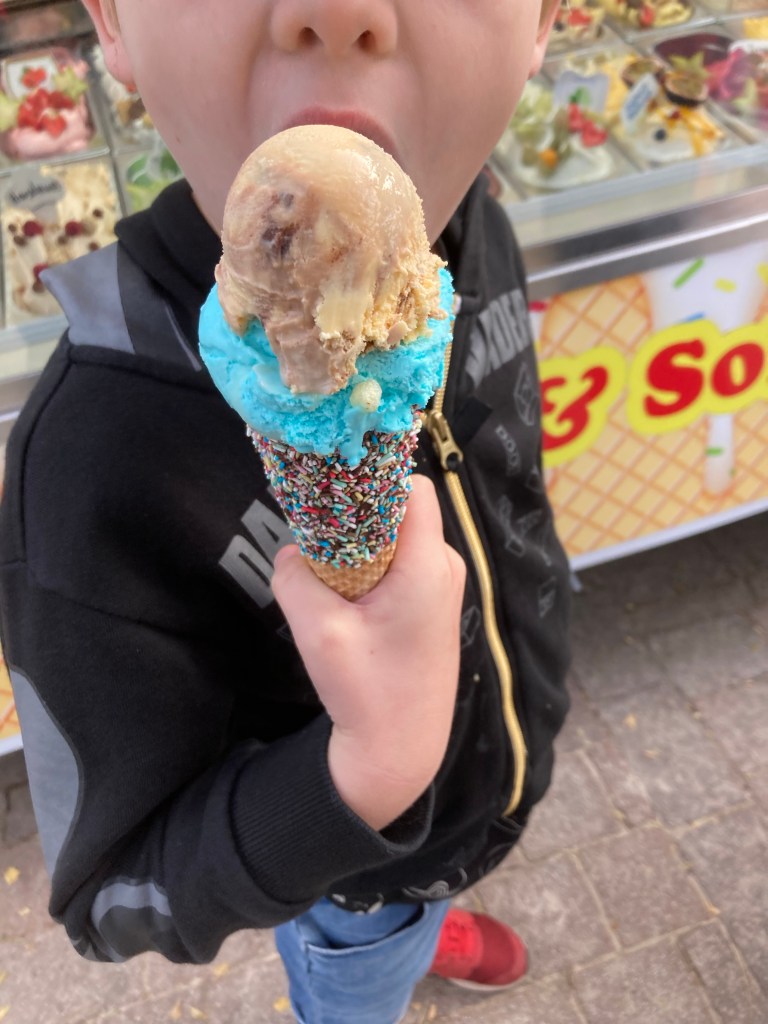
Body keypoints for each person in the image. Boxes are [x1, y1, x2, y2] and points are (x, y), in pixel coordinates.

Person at [0, 2, 571, 1022]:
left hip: (498, 775)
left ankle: (435, 904)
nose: (338, 11)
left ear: (547, 20)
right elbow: (109, 898)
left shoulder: (473, 224)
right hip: (347, 889)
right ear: (111, 20)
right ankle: (392, 942)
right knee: (366, 966)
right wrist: (360, 776)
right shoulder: (90, 457)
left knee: (436, 878)